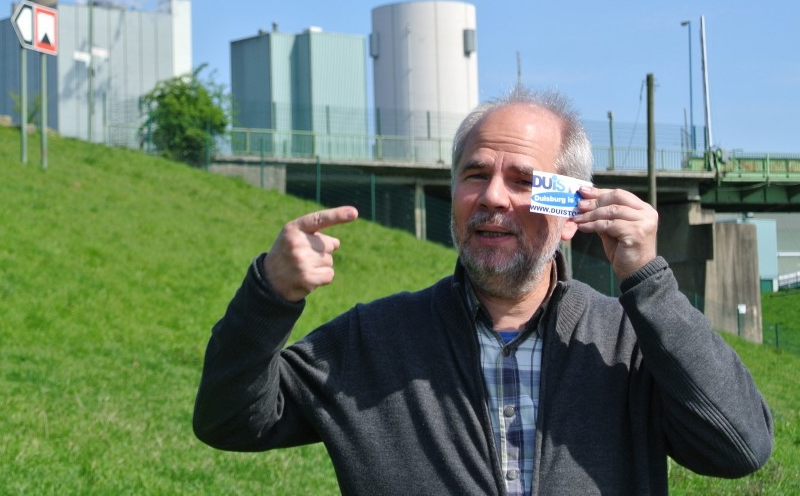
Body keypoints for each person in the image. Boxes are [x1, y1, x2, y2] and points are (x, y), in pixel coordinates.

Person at [193, 86, 773, 496]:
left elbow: (739, 447)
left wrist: (650, 286)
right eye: (475, 175)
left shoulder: (628, 342)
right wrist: (268, 294)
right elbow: (229, 421)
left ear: (573, 210)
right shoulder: (372, 341)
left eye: (522, 180)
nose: (494, 196)